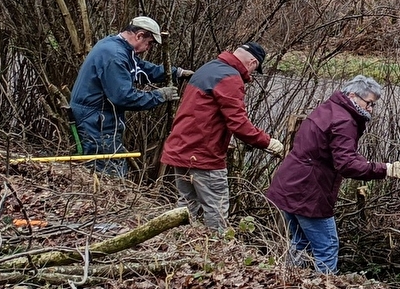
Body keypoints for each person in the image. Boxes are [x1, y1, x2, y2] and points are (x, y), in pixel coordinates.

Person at [265, 76, 400, 272]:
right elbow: (346, 164)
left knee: (300, 243)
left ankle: (290, 283)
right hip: (309, 192)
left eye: (373, 105)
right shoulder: (344, 121)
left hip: (290, 184)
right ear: (353, 96)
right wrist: (386, 169)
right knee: (326, 246)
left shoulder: (329, 108)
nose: (370, 109)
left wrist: (372, 164)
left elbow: (341, 154)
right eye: (369, 103)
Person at [160, 43, 283, 233]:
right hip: (204, 155)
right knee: (216, 210)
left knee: (185, 207)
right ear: (252, 62)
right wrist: (266, 142)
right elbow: (238, 123)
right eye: (254, 69)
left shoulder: (208, 68)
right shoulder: (230, 78)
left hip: (181, 148)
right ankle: (216, 253)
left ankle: (177, 243)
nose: (251, 74)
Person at [68, 16, 190, 178]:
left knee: (103, 168)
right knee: (108, 173)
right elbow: (123, 97)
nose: (148, 48)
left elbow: (140, 68)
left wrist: (176, 73)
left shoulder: (114, 46)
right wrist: (159, 96)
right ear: (139, 35)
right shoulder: (115, 56)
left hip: (94, 117)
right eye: (150, 43)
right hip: (97, 122)